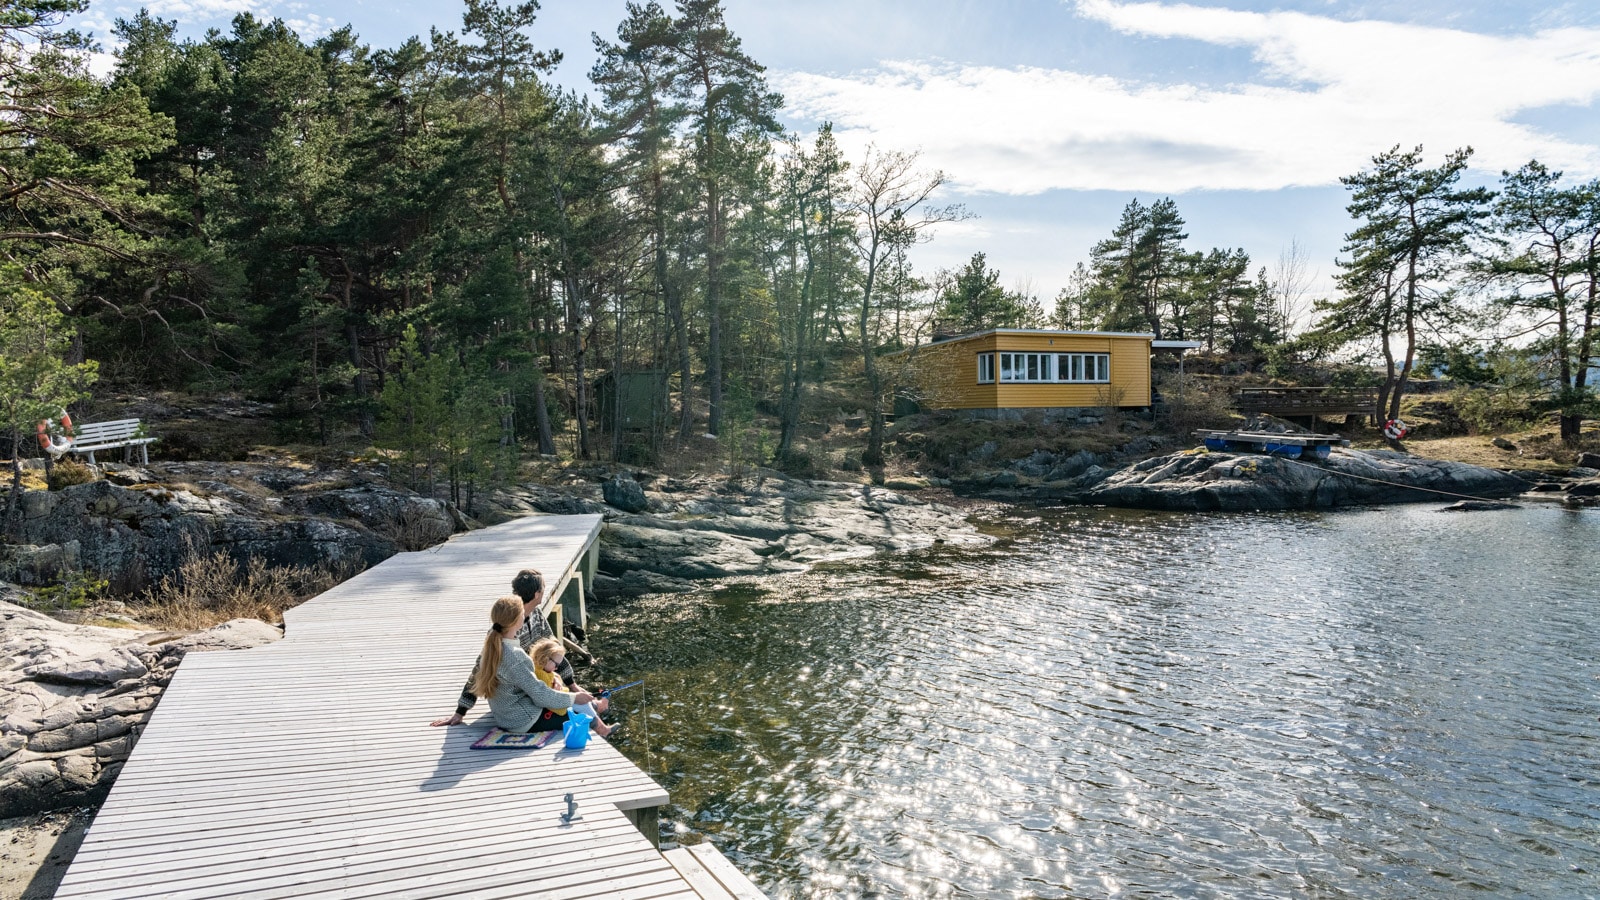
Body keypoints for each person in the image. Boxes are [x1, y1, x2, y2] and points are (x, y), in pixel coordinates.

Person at [431, 569, 606, 727]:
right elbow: (480, 669)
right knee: (583, 714)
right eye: (543, 589)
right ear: (537, 594)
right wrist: (461, 711)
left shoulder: (536, 615)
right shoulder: (505, 630)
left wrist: (572, 685)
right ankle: (595, 715)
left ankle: (593, 708)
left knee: (582, 704)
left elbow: (554, 649)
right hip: (523, 698)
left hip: (535, 684)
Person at [473, 596, 597, 733]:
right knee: (586, 718)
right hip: (523, 720)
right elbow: (540, 695)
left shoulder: (491, 647)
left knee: (581, 707)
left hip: (505, 716)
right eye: (522, 612)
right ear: (516, 620)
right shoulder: (514, 656)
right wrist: (574, 697)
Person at [530, 638, 615, 737]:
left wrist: (557, 680)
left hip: (563, 698)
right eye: (556, 665)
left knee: (583, 698)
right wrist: (566, 701)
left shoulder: (541, 669)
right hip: (559, 704)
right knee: (583, 704)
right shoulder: (540, 676)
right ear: (544, 658)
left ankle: (599, 706)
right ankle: (602, 729)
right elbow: (551, 701)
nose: (557, 668)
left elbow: (555, 675)